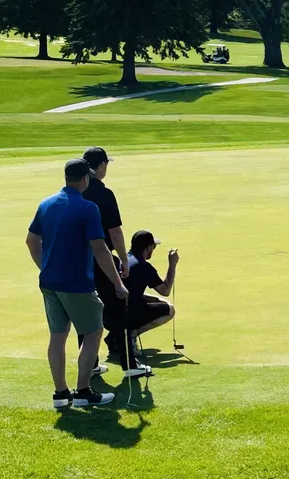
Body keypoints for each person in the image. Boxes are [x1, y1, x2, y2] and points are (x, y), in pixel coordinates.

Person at [26, 159, 128, 409]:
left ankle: (61, 394)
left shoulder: (46, 204)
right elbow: (100, 249)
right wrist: (118, 283)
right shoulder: (88, 208)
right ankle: (83, 391)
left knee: (58, 336)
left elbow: (31, 241)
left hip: (49, 283)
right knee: (93, 331)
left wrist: (46, 266)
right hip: (77, 284)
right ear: (84, 179)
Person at [78, 146, 151, 379]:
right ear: (101, 167)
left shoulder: (76, 192)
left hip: (79, 261)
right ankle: (129, 364)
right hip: (102, 259)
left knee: (86, 312)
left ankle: (90, 364)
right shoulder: (104, 194)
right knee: (118, 307)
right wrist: (124, 260)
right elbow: (115, 232)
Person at [125, 231, 178, 347]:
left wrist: (155, 300)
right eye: (153, 247)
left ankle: (118, 336)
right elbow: (165, 290)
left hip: (110, 313)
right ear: (147, 247)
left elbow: (132, 292)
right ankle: (132, 335)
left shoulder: (124, 259)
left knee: (159, 302)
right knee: (170, 310)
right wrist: (172, 264)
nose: (153, 250)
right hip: (128, 313)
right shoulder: (143, 267)